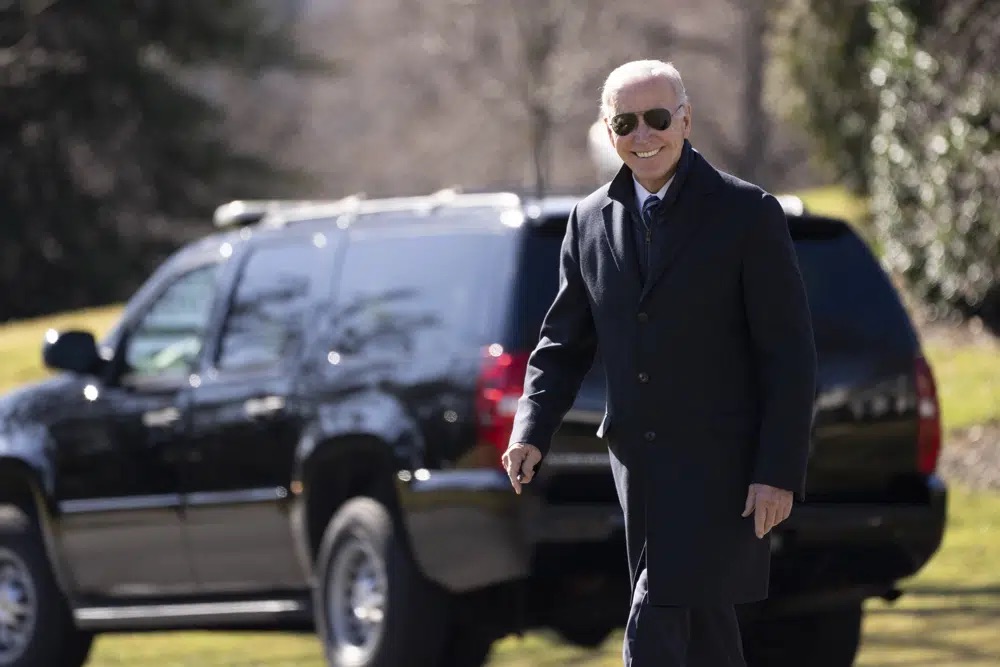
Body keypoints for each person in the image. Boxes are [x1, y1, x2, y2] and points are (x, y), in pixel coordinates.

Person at [501, 60, 818, 666]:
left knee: (660, 604)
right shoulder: (589, 220)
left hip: (723, 465)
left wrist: (778, 468)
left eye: (657, 119)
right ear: (608, 128)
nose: (643, 135)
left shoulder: (746, 213)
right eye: (626, 122)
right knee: (702, 623)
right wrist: (530, 430)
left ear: (685, 119)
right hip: (638, 465)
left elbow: (788, 353)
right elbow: (563, 344)